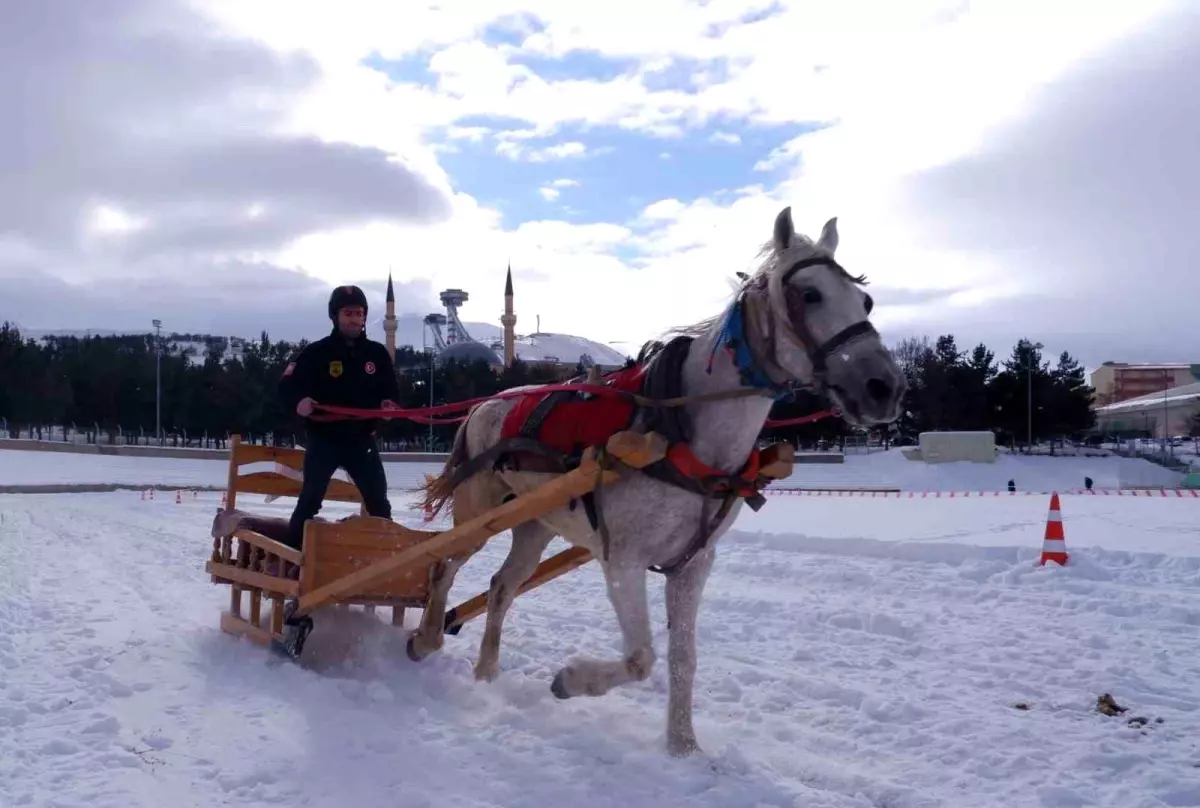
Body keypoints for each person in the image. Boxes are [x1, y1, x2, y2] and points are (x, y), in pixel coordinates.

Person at [277, 285, 401, 550]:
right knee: (310, 500)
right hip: (325, 440)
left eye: (359, 313)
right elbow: (287, 386)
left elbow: (391, 391)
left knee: (379, 501)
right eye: (348, 313)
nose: (355, 319)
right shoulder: (316, 353)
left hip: (362, 442)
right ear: (335, 316)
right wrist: (299, 402)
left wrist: (389, 405)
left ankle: (386, 560)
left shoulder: (378, 355)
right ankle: (292, 559)